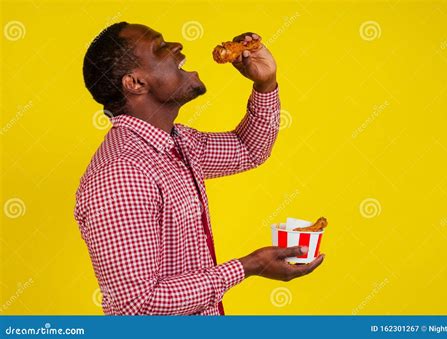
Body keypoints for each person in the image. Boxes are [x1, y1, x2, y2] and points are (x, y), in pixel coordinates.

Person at [74, 22, 325, 315]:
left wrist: (265, 84)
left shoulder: (178, 143)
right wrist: (249, 266)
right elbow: (139, 305)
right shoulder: (122, 173)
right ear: (136, 83)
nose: (177, 46)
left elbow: (249, 149)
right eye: (159, 47)